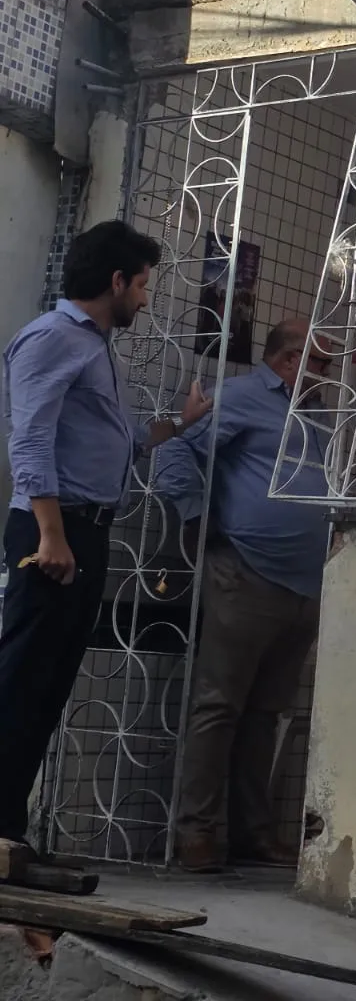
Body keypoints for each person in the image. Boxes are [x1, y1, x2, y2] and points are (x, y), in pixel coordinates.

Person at [0, 220, 211, 849]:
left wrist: (179, 424)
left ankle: (8, 830)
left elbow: (121, 443)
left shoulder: (93, 347)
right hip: (52, 532)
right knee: (21, 680)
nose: (145, 299)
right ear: (116, 281)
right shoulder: (52, 337)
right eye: (142, 285)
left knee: (48, 685)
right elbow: (29, 441)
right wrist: (50, 535)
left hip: (83, 531)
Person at [153, 318, 333, 873]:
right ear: (288, 359)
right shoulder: (239, 398)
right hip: (246, 572)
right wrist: (196, 518)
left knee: (266, 713)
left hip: (305, 583)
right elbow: (176, 451)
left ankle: (254, 833)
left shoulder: (319, 413)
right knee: (219, 705)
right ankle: (197, 833)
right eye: (319, 362)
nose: (327, 374)